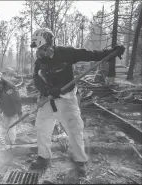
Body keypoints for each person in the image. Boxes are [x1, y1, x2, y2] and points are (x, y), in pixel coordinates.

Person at [30, 28, 125, 176]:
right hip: (48, 99)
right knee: (42, 127)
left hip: (67, 98)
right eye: (38, 49)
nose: (40, 52)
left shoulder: (67, 53)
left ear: (50, 44)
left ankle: (80, 161)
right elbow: (36, 80)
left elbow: (90, 55)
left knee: (75, 129)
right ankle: (43, 157)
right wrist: (48, 90)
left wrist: (111, 53)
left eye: (42, 48)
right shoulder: (39, 62)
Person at [0, 72, 23, 143]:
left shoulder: (9, 88)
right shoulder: (0, 88)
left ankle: (11, 145)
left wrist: (19, 113)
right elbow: (2, 100)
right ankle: (5, 143)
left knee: (11, 129)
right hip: (6, 112)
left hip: (14, 112)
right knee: (4, 129)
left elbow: (16, 101)